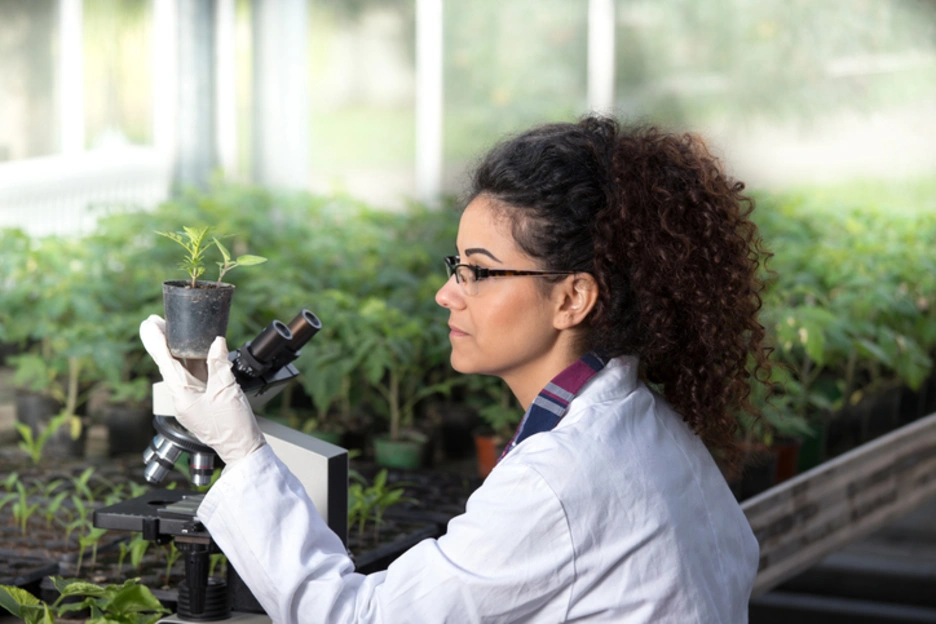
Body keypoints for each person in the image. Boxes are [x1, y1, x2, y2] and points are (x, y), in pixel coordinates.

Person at [140, 114, 771, 623]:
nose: (449, 294)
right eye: (456, 266)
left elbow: (357, 620)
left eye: (481, 271)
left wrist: (241, 449)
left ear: (573, 297)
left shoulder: (560, 482)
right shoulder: (645, 424)